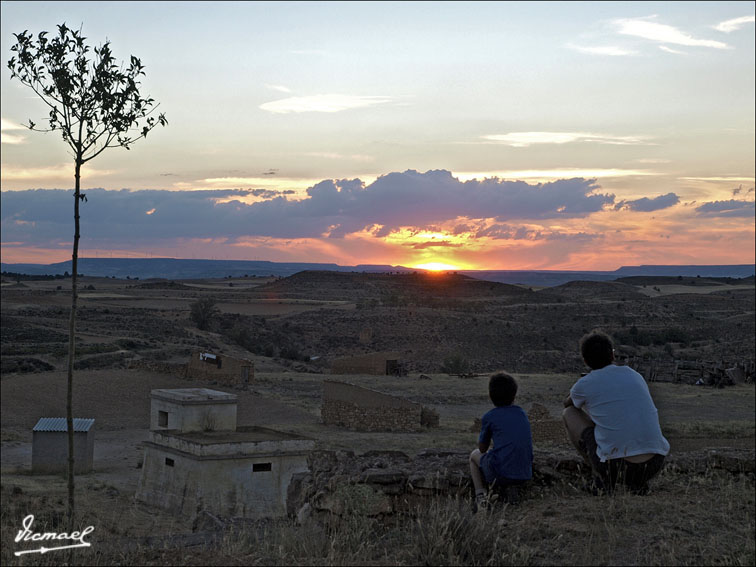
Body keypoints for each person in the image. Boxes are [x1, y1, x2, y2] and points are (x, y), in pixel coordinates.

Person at [563, 331, 670, 494]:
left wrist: (582, 387)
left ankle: (600, 478)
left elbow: (568, 404)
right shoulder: (634, 375)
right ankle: (638, 484)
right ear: (613, 355)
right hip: (655, 462)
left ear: (585, 360)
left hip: (616, 466)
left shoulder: (584, 384)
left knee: (569, 413)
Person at [470, 372, 533, 510]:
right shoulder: (521, 413)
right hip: (525, 473)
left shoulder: (490, 417)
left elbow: (482, 449)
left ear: (491, 395)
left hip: (501, 473)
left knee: (473, 456)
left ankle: (480, 497)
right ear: (514, 395)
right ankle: (511, 490)